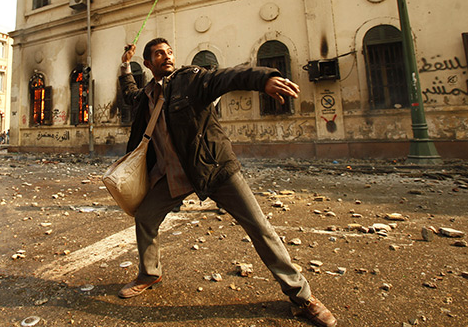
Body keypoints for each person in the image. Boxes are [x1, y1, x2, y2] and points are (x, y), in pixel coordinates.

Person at [117, 39, 336, 327]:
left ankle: (302, 297)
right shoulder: (146, 95)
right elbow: (129, 93)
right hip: (173, 174)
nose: (167, 57)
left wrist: (264, 79)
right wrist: (124, 65)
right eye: (159, 54)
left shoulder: (190, 79)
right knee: (145, 217)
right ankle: (149, 273)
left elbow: (227, 77)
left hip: (212, 167)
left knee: (260, 228)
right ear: (148, 63)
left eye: (170, 51)